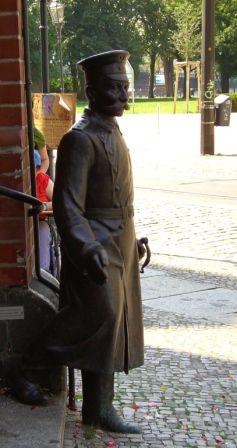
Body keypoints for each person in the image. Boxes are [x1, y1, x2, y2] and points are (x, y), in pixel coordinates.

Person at [51, 50, 148, 433]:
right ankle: (28, 364)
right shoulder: (80, 139)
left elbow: (115, 193)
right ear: (91, 90)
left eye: (125, 88)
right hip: (94, 246)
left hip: (119, 243)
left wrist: (131, 239)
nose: (123, 96)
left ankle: (98, 407)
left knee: (113, 325)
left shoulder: (112, 130)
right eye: (114, 88)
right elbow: (68, 206)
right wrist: (86, 247)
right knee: (94, 319)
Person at [34, 150, 54, 273]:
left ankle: (43, 272)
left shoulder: (42, 179)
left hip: (39, 220)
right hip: (20, 224)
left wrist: (44, 206)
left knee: (42, 232)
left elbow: (60, 201)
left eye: (36, 168)